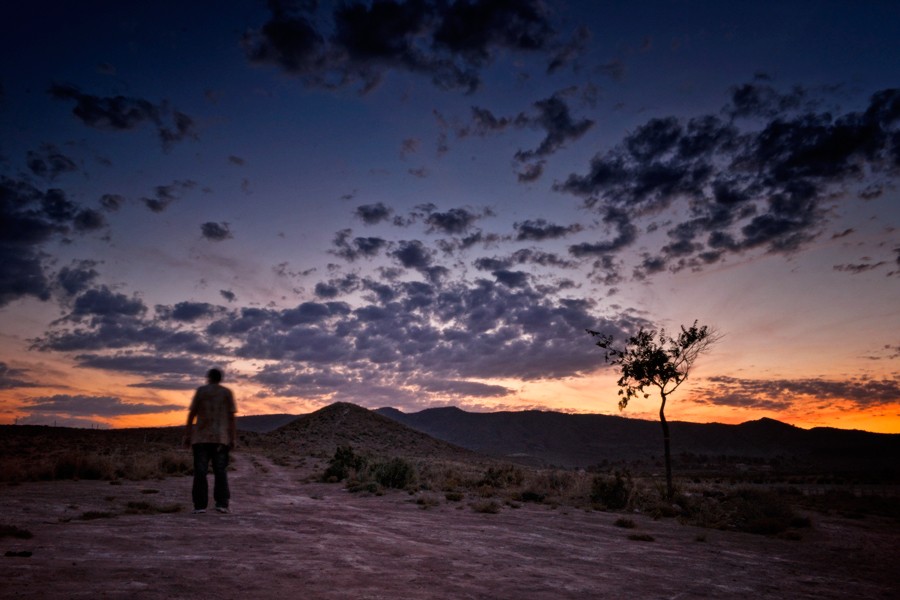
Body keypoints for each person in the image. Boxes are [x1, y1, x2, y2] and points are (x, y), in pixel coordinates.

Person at [184, 368, 237, 514]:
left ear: (208, 377)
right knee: (220, 471)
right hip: (220, 438)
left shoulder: (201, 391)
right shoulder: (226, 393)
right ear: (220, 378)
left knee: (200, 472)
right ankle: (222, 504)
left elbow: (191, 414)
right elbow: (231, 417)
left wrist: (188, 435)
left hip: (201, 437)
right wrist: (232, 438)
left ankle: (200, 506)